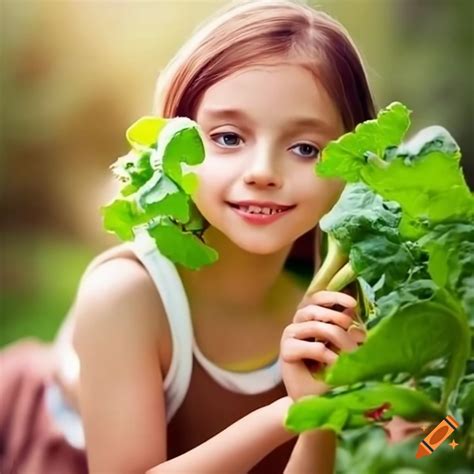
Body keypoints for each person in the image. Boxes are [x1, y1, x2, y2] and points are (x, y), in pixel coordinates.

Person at [0, 1, 423, 473]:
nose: (263, 172)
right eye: (227, 138)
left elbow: (440, 447)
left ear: (354, 167)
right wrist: (290, 413)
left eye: (305, 148)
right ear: (172, 144)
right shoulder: (126, 296)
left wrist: (410, 433)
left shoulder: (357, 308)